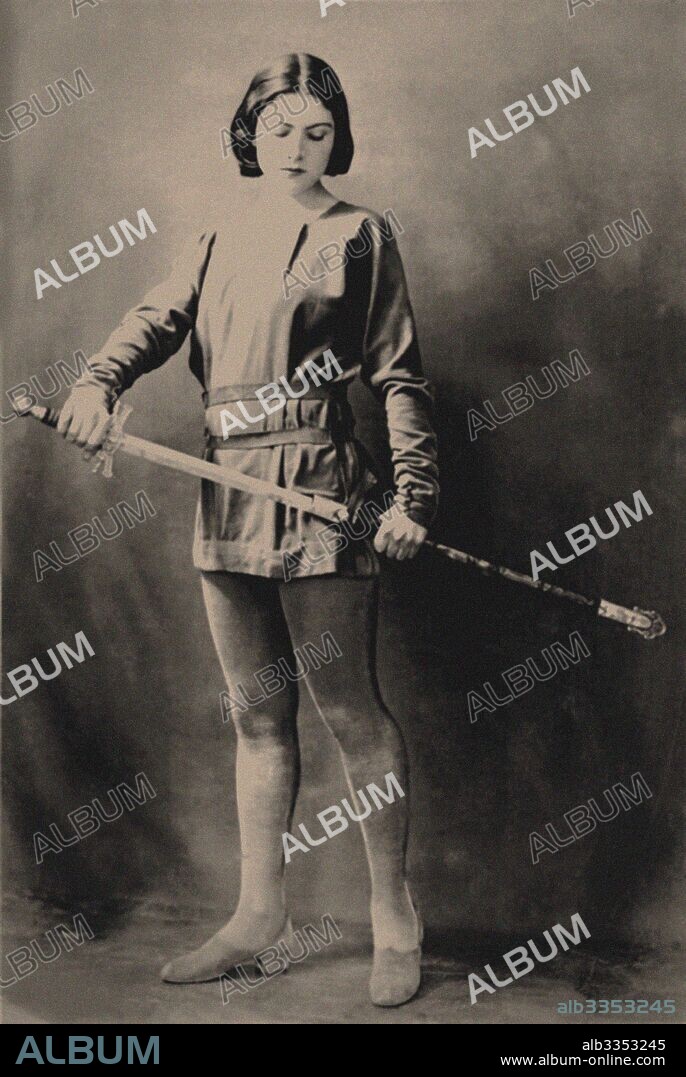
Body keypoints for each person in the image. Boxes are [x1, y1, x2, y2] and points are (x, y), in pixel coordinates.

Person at [58, 53, 439, 1007]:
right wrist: (98, 379)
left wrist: (413, 497)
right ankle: (257, 914)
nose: (297, 147)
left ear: (335, 136)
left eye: (316, 131)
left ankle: (394, 913)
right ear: (250, 132)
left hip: (322, 487)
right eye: (279, 128)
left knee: (350, 711)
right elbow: (154, 321)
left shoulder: (361, 233)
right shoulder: (218, 230)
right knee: (257, 715)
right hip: (226, 484)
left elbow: (398, 374)